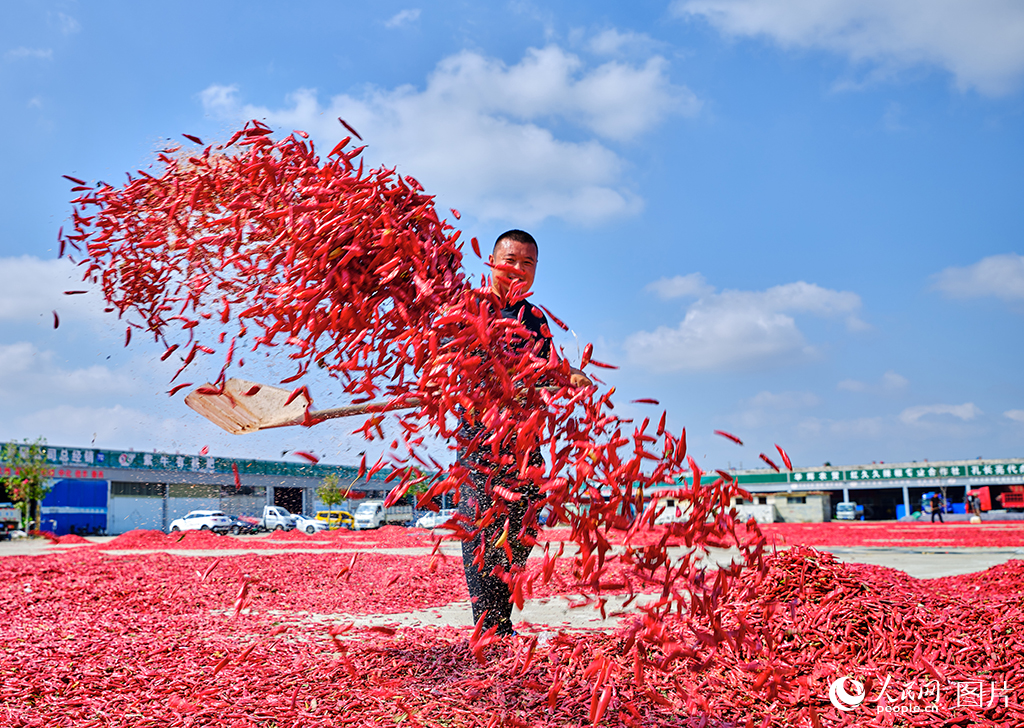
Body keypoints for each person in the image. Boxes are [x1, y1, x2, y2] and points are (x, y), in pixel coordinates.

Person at [455, 229, 590, 637]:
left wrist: (567, 375)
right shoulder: (468, 305)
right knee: (481, 524)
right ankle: (488, 626)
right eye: (510, 260)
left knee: (524, 521)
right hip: (482, 437)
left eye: (527, 264)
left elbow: (545, 369)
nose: (517, 270)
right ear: (492, 262)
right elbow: (452, 359)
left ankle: (500, 619)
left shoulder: (534, 318)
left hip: (524, 438)